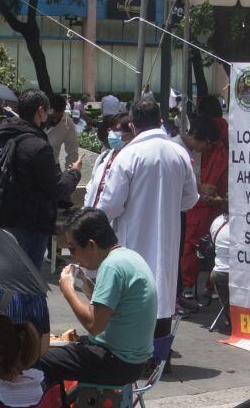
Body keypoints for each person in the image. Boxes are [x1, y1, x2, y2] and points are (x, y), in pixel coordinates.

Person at [92, 92, 200, 329]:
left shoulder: (128, 155)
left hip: (131, 242)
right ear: (160, 122)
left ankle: (138, 359)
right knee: (162, 296)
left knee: (133, 300)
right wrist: (168, 206)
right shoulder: (179, 153)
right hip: (168, 238)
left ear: (132, 125)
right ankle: (162, 358)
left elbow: (110, 206)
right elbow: (191, 199)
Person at [36, 207, 157, 387]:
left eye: (72, 248)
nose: (73, 256)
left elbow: (94, 325)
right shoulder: (129, 256)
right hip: (132, 361)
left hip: (116, 362)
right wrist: (86, 285)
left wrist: (67, 289)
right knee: (60, 349)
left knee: (39, 360)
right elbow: (112, 308)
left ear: (91, 245)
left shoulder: (112, 266)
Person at [0, 89, 62, 270]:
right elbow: (55, 188)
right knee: (28, 283)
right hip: (31, 225)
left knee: (8, 278)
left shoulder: (2, 137)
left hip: (1, 218)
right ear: (40, 111)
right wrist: (73, 174)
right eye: (47, 110)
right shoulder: (38, 146)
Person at [178, 112, 227, 301]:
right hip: (192, 206)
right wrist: (201, 189)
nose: (206, 148)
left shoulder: (213, 149)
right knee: (190, 246)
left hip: (204, 205)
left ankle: (192, 285)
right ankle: (187, 286)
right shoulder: (177, 148)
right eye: (206, 144)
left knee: (203, 245)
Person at [42, 93, 83, 185]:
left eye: (59, 117)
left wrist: (68, 175)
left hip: (52, 169)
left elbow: (72, 152)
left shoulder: (68, 124)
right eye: (52, 117)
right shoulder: (34, 119)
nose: (56, 121)